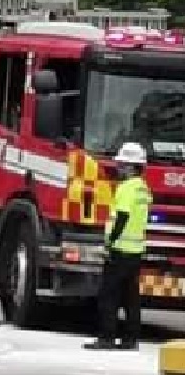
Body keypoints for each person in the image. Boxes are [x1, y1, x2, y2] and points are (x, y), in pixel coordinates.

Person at [85, 142, 151, 351]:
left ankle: (106, 338)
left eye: (122, 165)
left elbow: (122, 216)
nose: (118, 168)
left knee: (109, 295)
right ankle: (131, 340)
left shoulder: (126, 188)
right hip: (136, 250)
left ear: (131, 167)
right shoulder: (143, 188)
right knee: (131, 297)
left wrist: (111, 241)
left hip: (120, 249)